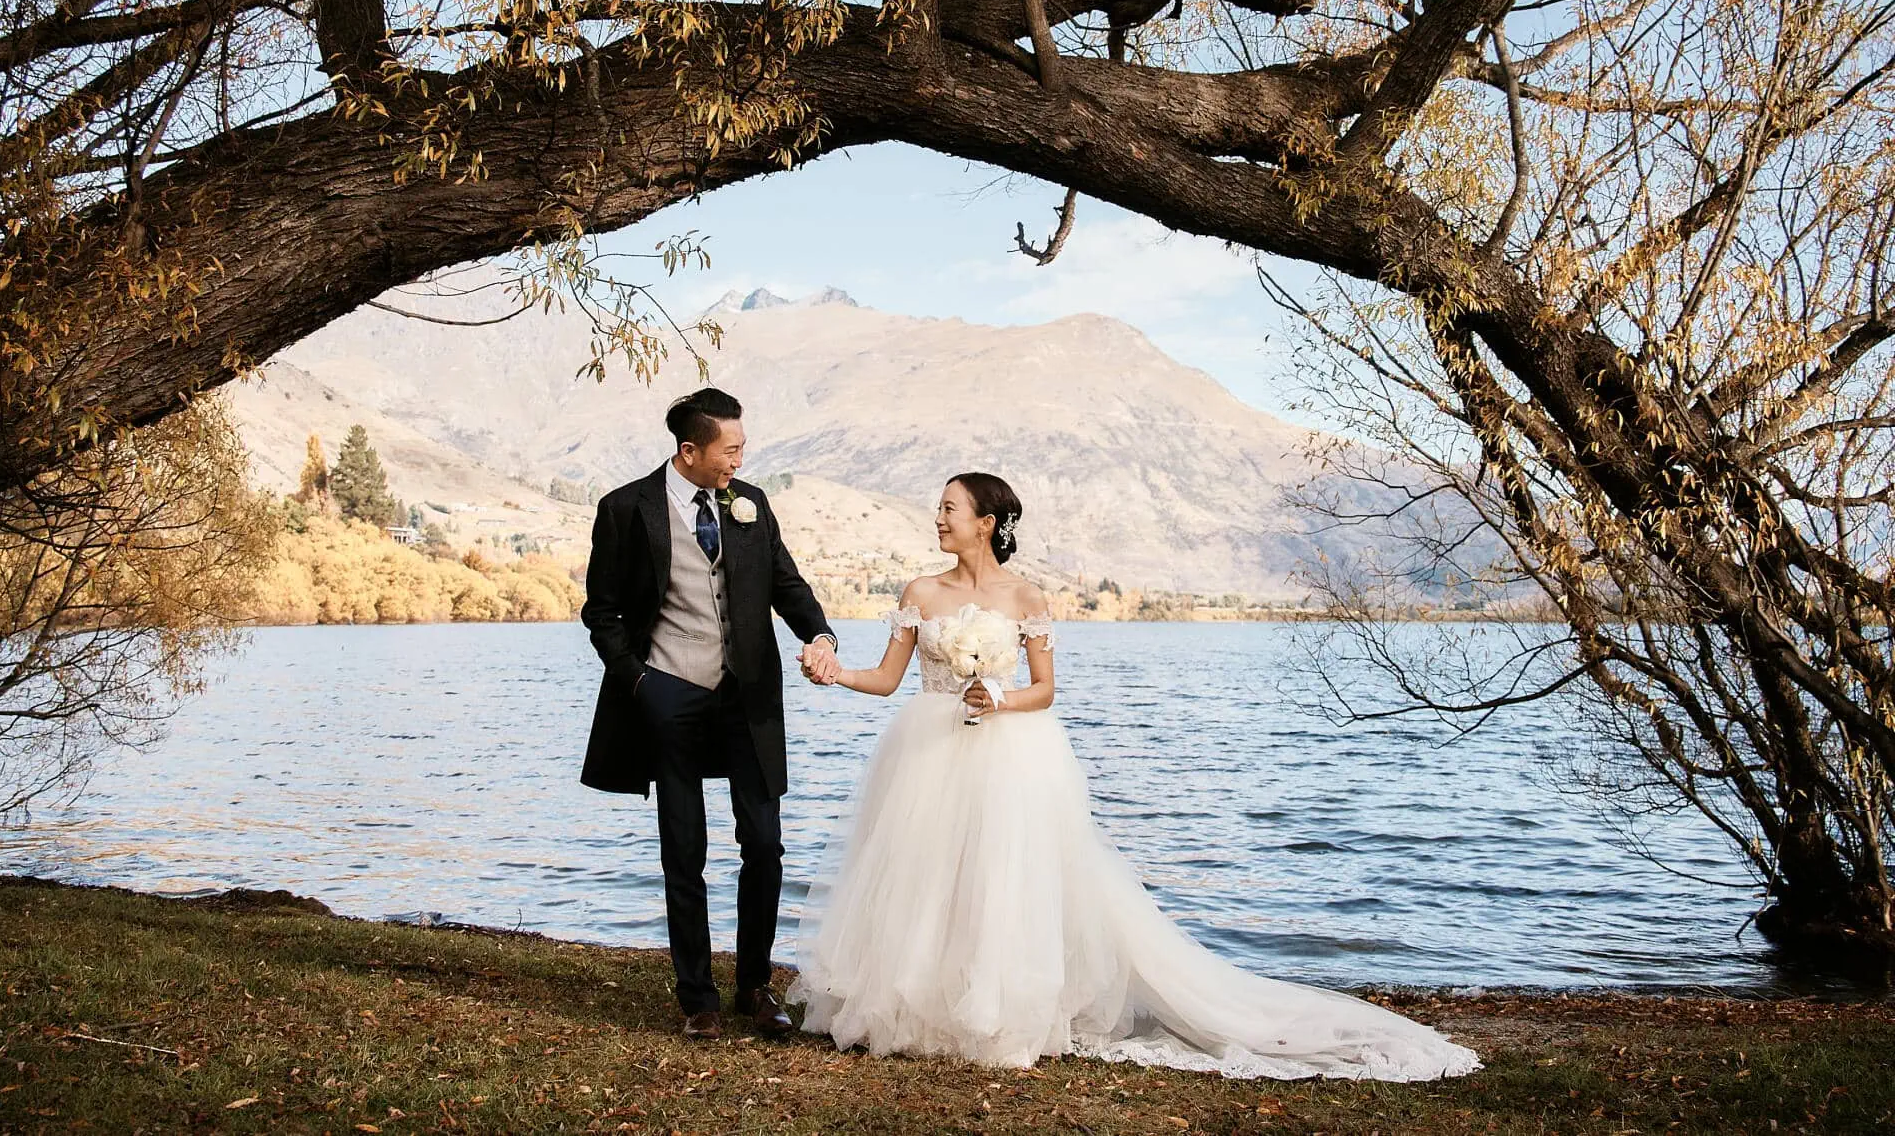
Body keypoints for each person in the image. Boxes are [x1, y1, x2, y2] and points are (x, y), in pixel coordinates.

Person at [788, 471, 1481, 1080]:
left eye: (949, 508)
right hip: (928, 750)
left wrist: (999, 696)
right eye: (937, 508)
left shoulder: (1026, 596)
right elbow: (885, 678)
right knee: (925, 877)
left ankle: (999, 1012)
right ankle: (916, 1009)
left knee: (1001, 880)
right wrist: (834, 670)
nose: (937, 518)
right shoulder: (920, 590)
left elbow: (1044, 689)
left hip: (1008, 752)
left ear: (985, 523)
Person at [580, 387, 842, 1041]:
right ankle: (697, 996)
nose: (739, 460)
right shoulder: (624, 508)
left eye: (743, 448)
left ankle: (755, 986)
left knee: (765, 842)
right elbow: (601, 611)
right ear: (690, 450)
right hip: (669, 692)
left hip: (748, 698)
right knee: (684, 848)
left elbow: (786, 582)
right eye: (731, 449)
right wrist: (641, 682)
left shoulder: (751, 503)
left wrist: (821, 633)